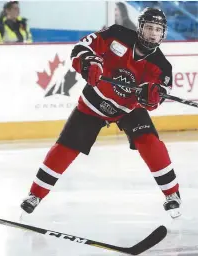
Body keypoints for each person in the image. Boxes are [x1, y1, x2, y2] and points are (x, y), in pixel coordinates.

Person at [20, 7, 182, 219]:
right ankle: (35, 195)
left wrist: (152, 96)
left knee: (150, 144)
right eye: (149, 27)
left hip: (129, 109)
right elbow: (81, 47)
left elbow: (157, 96)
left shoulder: (162, 66)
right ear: (140, 28)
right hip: (94, 102)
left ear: (163, 34)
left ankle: (172, 194)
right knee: (66, 147)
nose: (153, 33)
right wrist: (89, 63)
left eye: (157, 30)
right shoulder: (117, 34)